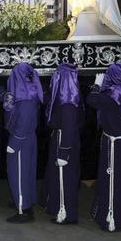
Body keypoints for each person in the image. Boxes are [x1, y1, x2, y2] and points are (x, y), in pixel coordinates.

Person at [86, 63, 121, 232]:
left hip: (116, 143)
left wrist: (96, 85)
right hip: (117, 140)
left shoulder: (113, 95)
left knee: (113, 181)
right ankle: (103, 213)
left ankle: (112, 219)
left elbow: (92, 100)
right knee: (110, 179)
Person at [41, 63, 83, 225]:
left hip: (65, 142)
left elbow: (68, 127)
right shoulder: (66, 98)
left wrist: (63, 152)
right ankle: (59, 207)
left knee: (66, 178)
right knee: (62, 177)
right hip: (61, 138)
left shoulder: (68, 103)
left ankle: (67, 213)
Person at [1, 62, 43, 224]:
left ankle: (23, 210)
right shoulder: (29, 93)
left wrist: (14, 143)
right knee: (26, 174)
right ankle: (25, 202)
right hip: (28, 138)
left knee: (18, 173)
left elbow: (23, 122)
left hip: (21, 139)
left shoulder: (25, 98)